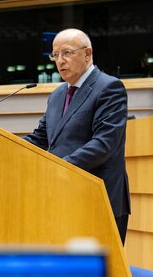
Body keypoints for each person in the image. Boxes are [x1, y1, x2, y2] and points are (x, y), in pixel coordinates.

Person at [24, 28, 130, 244]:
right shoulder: (57, 95)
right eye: (55, 55)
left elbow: (103, 144)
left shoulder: (109, 87)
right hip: (62, 196)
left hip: (98, 197)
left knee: (103, 274)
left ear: (88, 54)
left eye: (67, 53)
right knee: (67, 272)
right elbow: (40, 138)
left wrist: (58, 168)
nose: (60, 61)